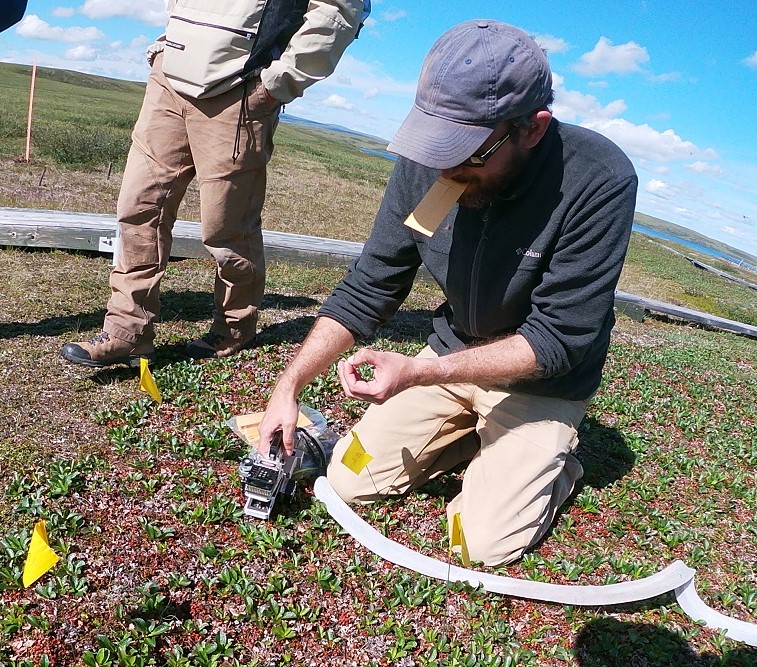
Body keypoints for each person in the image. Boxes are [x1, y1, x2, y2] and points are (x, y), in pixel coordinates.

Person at [258, 20, 638, 566]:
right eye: (437, 144)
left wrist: (414, 373)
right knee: (348, 476)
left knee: (481, 545)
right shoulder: (432, 163)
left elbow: (559, 339)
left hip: (541, 383)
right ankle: (469, 435)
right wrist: (289, 385)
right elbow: (371, 283)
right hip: (451, 353)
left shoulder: (599, 178)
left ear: (532, 128)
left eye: (469, 153)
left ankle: (556, 461)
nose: (447, 170)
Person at [61, 0, 367, 368]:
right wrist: (168, 41)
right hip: (170, 79)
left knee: (227, 229)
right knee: (139, 208)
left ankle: (235, 328)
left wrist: (276, 84)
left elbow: (339, 11)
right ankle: (127, 332)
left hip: (240, 88)